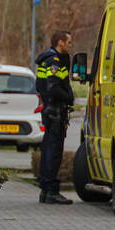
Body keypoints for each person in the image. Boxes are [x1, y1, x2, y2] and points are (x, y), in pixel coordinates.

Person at [35, 30, 75, 204]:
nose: (70, 45)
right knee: (54, 151)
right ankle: (51, 190)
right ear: (60, 42)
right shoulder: (54, 61)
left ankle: (46, 190)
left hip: (50, 110)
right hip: (55, 111)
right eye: (69, 42)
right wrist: (68, 98)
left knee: (48, 148)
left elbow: (41, 85)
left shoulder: (49, 59)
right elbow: (53, 87)